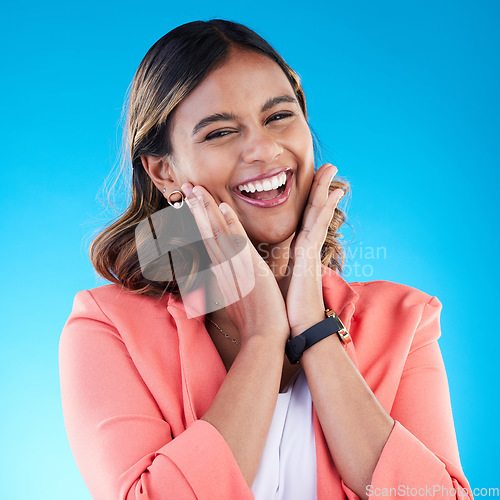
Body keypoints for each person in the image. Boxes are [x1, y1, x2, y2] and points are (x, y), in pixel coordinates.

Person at [59, 19, 472, 500]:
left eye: (279, 116)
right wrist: (261, 336)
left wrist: (312, 329)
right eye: (219, 132)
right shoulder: (108, 326)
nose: (263, 149)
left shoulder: (405, 320)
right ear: (163, 171)